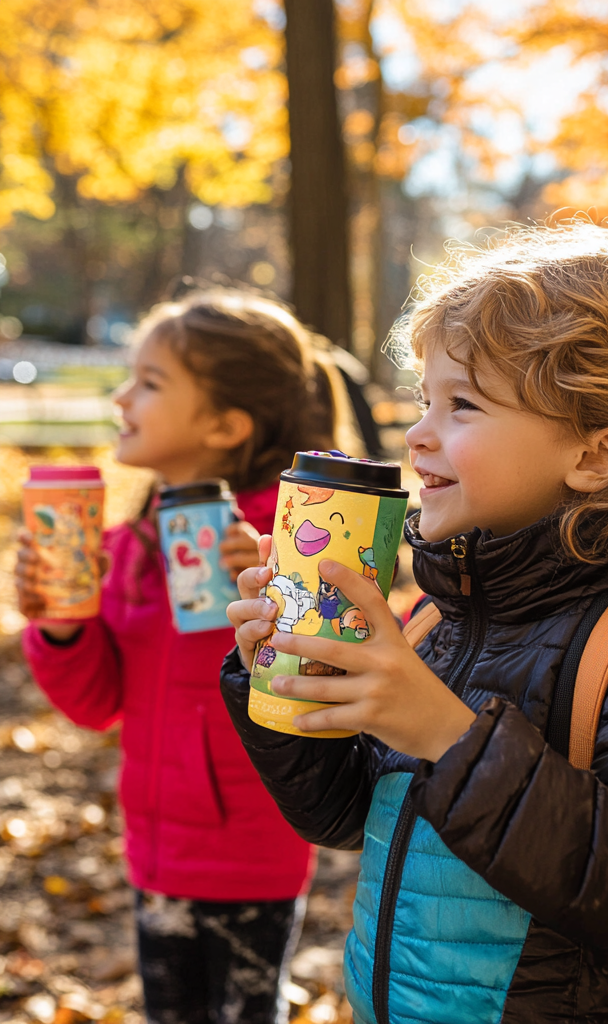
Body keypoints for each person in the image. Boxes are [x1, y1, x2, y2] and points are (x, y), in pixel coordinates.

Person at [220, 221, 608, 1024]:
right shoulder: (439, 620)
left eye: (462, 405)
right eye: (425, 399)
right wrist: (280, 683)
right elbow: (340, 815)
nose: (418, 432)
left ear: (594, 455)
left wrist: (449, 737)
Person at [16, 290, 362, 1024]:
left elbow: (325, 680)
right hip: (153, 844)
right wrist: (61, 625)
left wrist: (271, 579)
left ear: (224, 425)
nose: (121, 395)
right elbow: (95, 702)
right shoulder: (129, 545)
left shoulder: (300, 536)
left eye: (149, 382)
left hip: (251, 850)